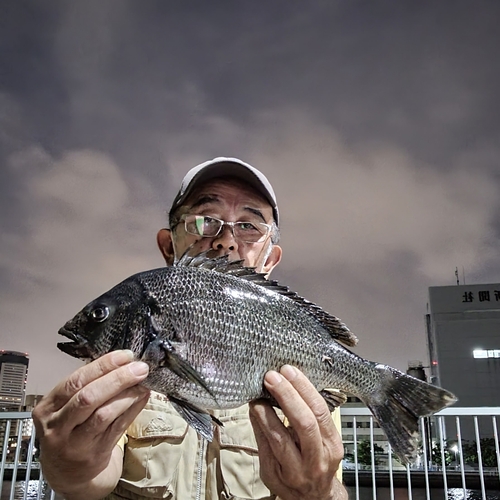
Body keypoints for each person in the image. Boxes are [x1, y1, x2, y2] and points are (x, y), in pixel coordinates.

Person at [33, 157, 347, 500]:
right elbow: (92, 479)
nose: (226, 240)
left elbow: (334, 486)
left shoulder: (306, 377)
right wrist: (70, 469)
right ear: (169, 246)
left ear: (269, 260)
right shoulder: (117, 368)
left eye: (249, 226)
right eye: (205, 221)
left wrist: (322, 494)